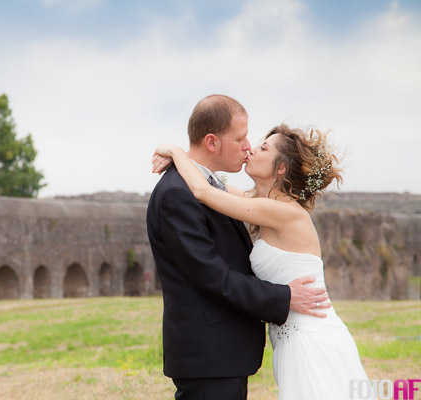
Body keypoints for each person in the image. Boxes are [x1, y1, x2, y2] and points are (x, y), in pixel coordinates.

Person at [152, 122, 374, 399]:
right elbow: (212, 183)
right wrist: (186, 159)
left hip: (310, 336)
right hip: (290, 337)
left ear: (281, 168)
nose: (251, 149)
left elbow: (203, 192)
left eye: (263, 147)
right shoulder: (261, 203)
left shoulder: (283, 212)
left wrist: (175, 150)